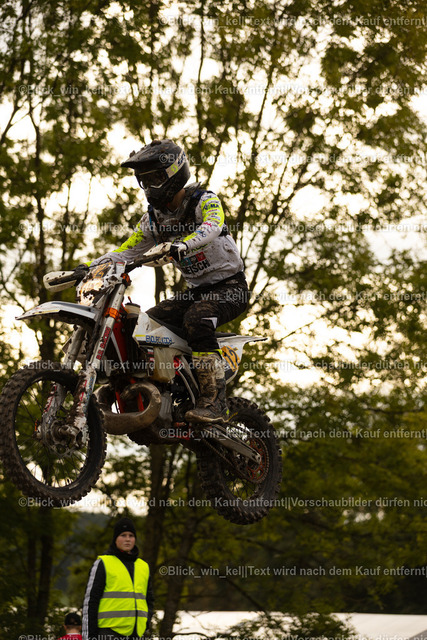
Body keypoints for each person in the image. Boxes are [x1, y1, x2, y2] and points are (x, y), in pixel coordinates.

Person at [88, 139, 249, 423]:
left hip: (230, 287)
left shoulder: (203, 200)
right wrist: (89, 267)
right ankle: (156, 391)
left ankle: (214, 401)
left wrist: (183, 245)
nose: (150, 186)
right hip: (196, 292)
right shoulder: (154, 219)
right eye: (145, 181)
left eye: (155, 178)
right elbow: (126, 251)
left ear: (175, 173)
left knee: (197, 320)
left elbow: (213, 225)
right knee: (143, 327)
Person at [82, 517, 154, 640]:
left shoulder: (143, 566)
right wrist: (90, 637)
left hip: (136, 633)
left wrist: (146, 623)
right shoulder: (103, 563)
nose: (127, 539)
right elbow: (91, 602)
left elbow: (149, 600)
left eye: (131, 536)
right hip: (108, 632)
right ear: (115, 539)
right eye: (123, 535)